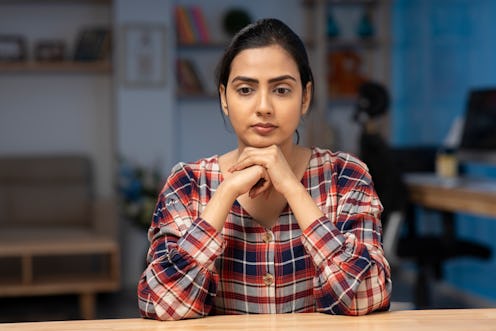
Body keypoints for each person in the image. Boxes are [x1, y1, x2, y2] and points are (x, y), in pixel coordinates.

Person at [137, 18, 391, 321]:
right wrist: (224, 195)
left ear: (305, 97)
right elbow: (161, 303)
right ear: (224, 98)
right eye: (245, 90)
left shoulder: (345, 175)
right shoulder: (188, 183)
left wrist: (294, 190)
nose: (264, 107)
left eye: (281, 90)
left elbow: (366, 295)